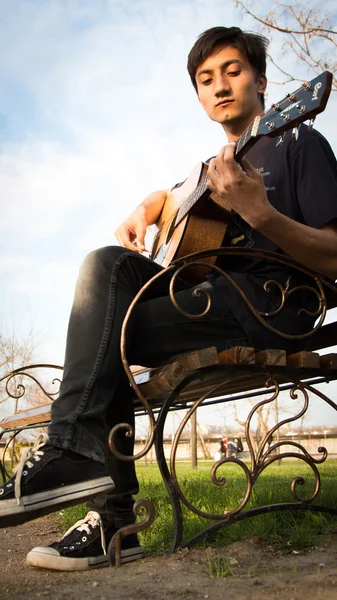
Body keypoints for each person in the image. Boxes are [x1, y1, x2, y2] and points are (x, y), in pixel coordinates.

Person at [1, 25, 337, 572]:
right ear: (200, 96)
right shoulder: (213, 167)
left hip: (270, 307)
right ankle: (87, 478)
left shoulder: (298, 141)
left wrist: (262, 215)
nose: (221, 86)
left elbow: (334, 256)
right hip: (210, 303)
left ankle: (107, 510)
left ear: (262, 81)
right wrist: (148, 205)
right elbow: (175, 198)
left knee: (107, 329)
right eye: (207, 79)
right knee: (105, 265)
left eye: (233, 71)